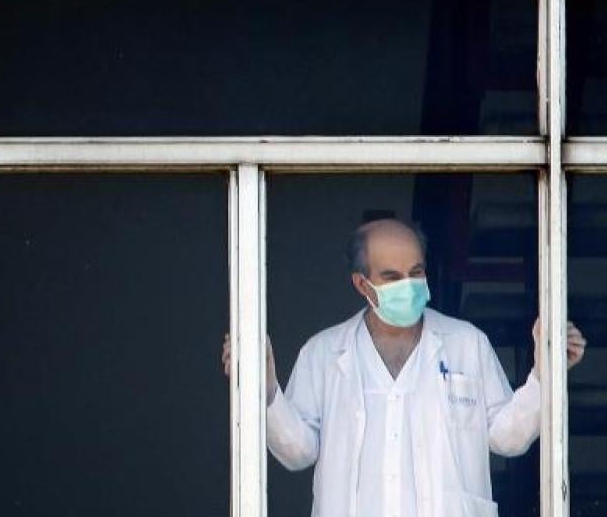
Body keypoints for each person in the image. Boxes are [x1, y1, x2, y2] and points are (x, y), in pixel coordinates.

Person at [221, 217, 587, 517]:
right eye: (392, 277)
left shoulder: (466, 343)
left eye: (416, 272)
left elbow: (508, 438)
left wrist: (545, 373)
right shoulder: (325, 352)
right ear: (361, 284)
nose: (408, 285)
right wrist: (264, 387)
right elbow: (298, 452)